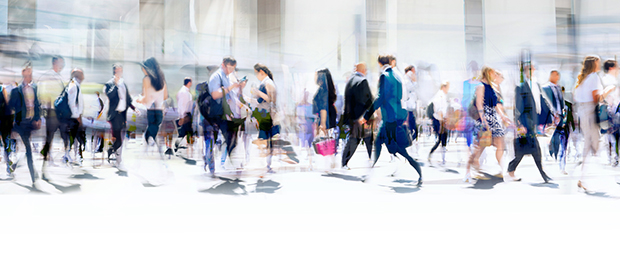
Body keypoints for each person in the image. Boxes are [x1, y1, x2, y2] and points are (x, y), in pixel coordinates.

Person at [360, 54, 422, 186]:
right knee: (387, 146)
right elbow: (400, 96)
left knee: (390, 147)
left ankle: (368, 173)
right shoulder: (397, 76)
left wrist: (366, 116)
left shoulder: (384, 76)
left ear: (380, 64)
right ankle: (416, 168)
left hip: (388, 118)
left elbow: (380, 98)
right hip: (396, 117)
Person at [10, 62, 59, 193]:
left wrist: (37, 118)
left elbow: (37, 104)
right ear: (23, 74)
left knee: (28, 149)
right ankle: (34, 178)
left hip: (30, 123)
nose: (30, 76)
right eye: (28, 74)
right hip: (21, 124)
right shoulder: (17, 90)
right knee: (29, 150)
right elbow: (12, 106)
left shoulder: (35, 88)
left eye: (31, 74)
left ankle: (14, 163)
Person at [574, 56, 614, 192]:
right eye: (598, 62)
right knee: (594, 146)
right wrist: (608, 90)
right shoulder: (594, 77)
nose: (600, 64)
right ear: (593, 64)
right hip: (590, 113)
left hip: (583, 113)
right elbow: (596, 98)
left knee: (590, 145)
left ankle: (583, 177)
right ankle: (584, 176)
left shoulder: (583, 79)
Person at [507, 63, 553, 183]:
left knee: (524, 151)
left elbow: (541, 102)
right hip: (525, 122)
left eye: (533, 68)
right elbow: (517, 107)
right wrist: (519, 124)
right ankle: (543, 174)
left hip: (533, 122)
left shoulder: (536, 85)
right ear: (525, 71)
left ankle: (511, 168)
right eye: (530, 68)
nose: (533, 70)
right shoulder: (520, 87)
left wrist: (549, 118)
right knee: (535, 149)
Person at [464, 66, 511, 183]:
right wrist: (484, 120)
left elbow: (496, 105)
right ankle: (469, 171)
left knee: (500, 142)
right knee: (479, 146)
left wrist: (503, 116)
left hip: (493, 118)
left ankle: (501, 169)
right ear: (488, 73)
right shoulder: (481, 86)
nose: (495, 75)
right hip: (484, 118)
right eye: (494, 73)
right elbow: (479, 104)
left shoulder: (492, 87)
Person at [202, 57, 243, 175]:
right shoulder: (216, 77)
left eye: (233, 68)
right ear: (223, 65)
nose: (230, 71)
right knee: (211, 141)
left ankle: (213, 163)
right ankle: (211, 168)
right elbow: (215, 95)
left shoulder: (226, 77)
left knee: (223, 140)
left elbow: (227, 97)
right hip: (211, 115)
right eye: (229, 68)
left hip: (221, 115)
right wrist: (230, 88)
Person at [341, 62, 374, 170]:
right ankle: (371, 159)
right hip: (362, 117)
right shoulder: (363, 81)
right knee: (361, 139)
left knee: (360, 138)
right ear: (363, 70)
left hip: (351, 116)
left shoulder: (350, 80)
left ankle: (345, 162)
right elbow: (368, 100)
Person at [104, 64, 135, 167]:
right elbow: (110, 96)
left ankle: (113, 152)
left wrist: (135, 108)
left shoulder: (123, 83)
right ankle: (118, 159)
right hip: (115, 115)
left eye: (121, 71)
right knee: (118, 138)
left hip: (122, 115)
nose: (119, 73)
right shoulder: (109, 84)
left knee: (120, 138)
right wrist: (115, 85)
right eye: (117, 71)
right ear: (114, 72)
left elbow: (128, 99)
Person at [136, 57, 168, 157]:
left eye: (143, 68)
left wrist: (139, 100)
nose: (142, 70)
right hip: (159, 111)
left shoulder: (146, 79)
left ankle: (148, 144)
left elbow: (146, 98)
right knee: (152, 129)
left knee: (150, 130)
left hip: (150, 110)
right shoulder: (162, 79)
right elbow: (165, 96)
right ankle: (150, 143)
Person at [252, 63, 279, 173]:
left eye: (256, 73)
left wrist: (257, 92)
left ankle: (267, 164)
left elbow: (271, 99)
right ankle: (267, 164)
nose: (256, 76)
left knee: (266, 139)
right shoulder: (265, 82)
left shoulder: (268, 82)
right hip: (264, 114)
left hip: (267, 114)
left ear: (261, 72)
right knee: (266, 140)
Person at [39, 55, 65, 166]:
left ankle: (46, 154)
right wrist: (47, 107)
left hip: (56, 110)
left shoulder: (58, 76)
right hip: (52, 110)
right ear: (55, 63)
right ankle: (47, 157)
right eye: (61, 63)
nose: (62, 65)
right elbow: (44, 92)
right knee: (51, 134)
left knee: (52, 134)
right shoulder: (49, 76)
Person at [543, 70, 569, 174]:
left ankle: (562, 166)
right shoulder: (545, 88)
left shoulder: (559, 88)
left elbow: (562, 103)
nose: (556, 77)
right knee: (552, 140)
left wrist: (564, 115)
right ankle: (550, 159)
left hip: (561, 118)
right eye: (554, 75)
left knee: (563, 141)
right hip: (551, 119)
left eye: (558, 75)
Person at [312, 68, 338, 172]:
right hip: (329, 115)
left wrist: (322, 123)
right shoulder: (328, 89)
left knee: (325, 139)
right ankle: (330, 161)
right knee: (328, 139)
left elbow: (323, 107)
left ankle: (328, 163)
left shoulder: (322, 90)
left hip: (325, 116)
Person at [58, 68, 85, 165]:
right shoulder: (73, 86)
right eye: (82, 74)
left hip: (75, 116)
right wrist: (77, 116)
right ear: (77, 75)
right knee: (74, 137)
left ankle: (69, 155)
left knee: (75, 137)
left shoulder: (76, 85)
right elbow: (72, 103)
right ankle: (67, 155)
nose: (84, 76)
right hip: (73, 117)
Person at [601, 60, 619, 166]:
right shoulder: (607, 80)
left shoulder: (611, 79)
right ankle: (613, 157)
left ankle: (613, 157)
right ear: (611, 68)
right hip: (610, 111)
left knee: (611, 136)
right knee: (611, 136)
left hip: (612, 111)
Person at [428, 81, 450, 166]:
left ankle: (443, 158)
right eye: (447, 87)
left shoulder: (441, 95)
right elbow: (440, 110)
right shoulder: (440, 95)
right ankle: (433, 154)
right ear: (443, 87)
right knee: (440, 139)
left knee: (443, 138)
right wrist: (441, 122)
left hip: (440, 120)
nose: (448, 89)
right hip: (439, 120)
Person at [175, 77, 194, 154]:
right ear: (189, 83)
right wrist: (182, 117)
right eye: (191, 82)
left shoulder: (185, 91)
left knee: (187, 132)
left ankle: (189, 148)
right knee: (184, 133)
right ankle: (177, 146)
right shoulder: (184, 92)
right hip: (185, 115)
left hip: (187, 114)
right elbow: (182, 105)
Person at [402, 65, 419, 155]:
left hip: (410, 108)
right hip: (407, 108)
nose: (414, 73)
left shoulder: (408, 80)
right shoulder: (406, 80)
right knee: (411, 129)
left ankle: (408, 146)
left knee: (413, 129)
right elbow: (410, 90)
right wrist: (415, 82)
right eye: (413, 71)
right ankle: (406, 146)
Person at [0, 84, 14, 178]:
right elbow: (8, 105)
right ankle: (9, 166)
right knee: (6, 143)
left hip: (3, 120)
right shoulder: (2, 89)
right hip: (4, 120)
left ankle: (9, 165)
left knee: (6, 143)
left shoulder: (2, 88)